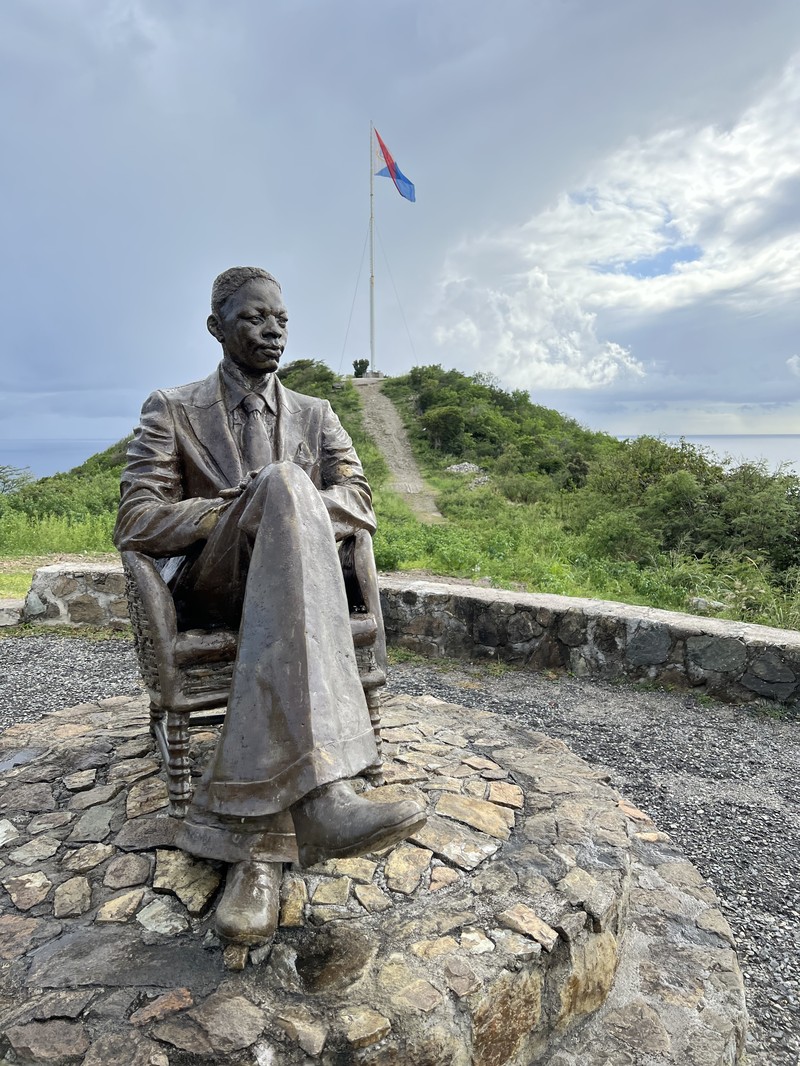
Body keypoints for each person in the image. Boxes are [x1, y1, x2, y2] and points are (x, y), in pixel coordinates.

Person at [114, 267, 425, 945]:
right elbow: (136, 520)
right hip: (218, 575)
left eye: (281, 318)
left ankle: (263, 846)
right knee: (283, 488)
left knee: (290, 491)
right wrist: (246, 507)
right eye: (255, 317)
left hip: (299, 584)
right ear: (216, 327)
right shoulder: (171, 407)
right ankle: (327, 796)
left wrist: (291, 505)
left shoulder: (317, 413)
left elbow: (361, 501)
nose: (273, 328)